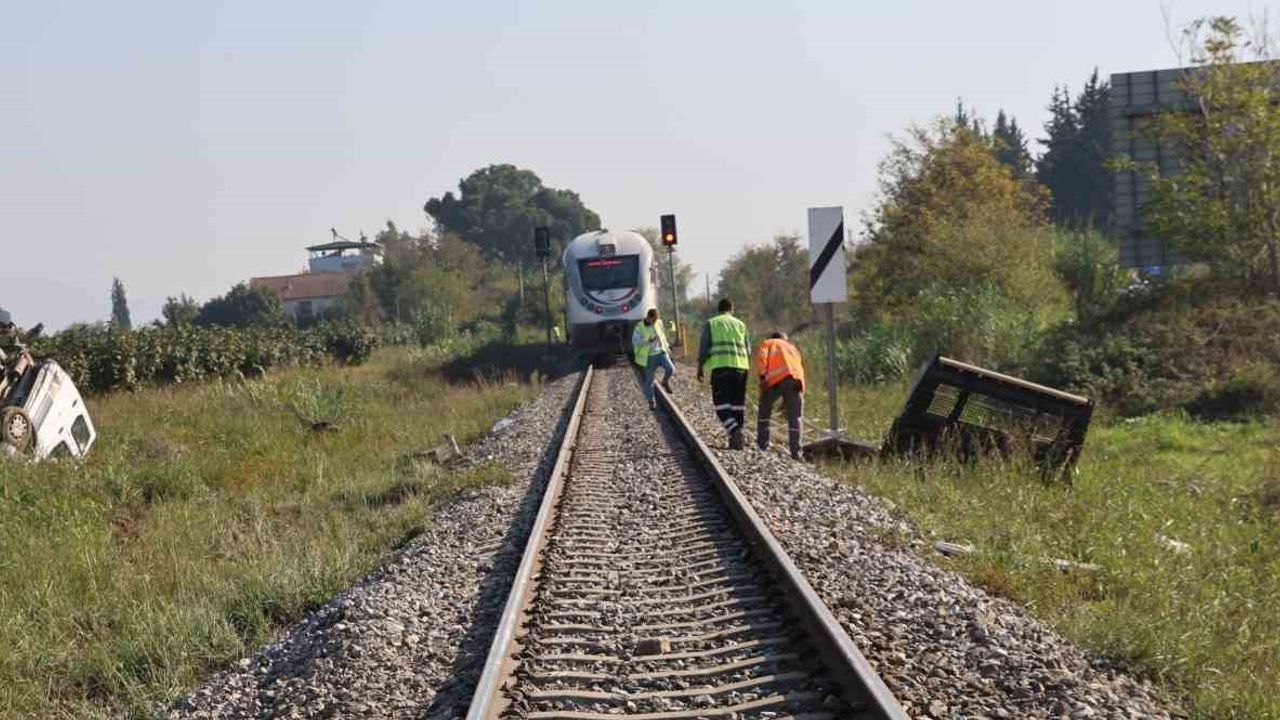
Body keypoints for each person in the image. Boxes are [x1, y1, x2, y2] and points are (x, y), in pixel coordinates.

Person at [696, 298, 750, 449]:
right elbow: (748, 349)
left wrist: (700, 367)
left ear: (718, 309)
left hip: (721, 368)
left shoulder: (712, 323)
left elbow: (704, 348)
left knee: (722, 406)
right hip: (741, 368)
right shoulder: (740, 324)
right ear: (732, 309)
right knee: (737, 406)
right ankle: (736, 440)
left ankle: (735, 430)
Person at [755, 331, 806, 460]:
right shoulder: (792, 347)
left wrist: (762, 378)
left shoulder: (768, 343)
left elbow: (762, 358)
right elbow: (799, 368)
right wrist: (800, 393)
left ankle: (762, 446)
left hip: (774, 380)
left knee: (764, 412)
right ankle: (796, 453)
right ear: (785, 339)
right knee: (795, 418)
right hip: (796, 381)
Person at [632, 308, 674, 409]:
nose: (655, 321)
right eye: (653, 320)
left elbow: (663, 335)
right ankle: (651, 401)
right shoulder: (639, 326)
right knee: (649, 381)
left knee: (670, 369)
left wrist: (667, 347)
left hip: (661, 352)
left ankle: (665, 381)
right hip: (649, 357)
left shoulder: (659, 322)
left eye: (656, 319)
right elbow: (635, 341)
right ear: (648, 317)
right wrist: (648, 340)